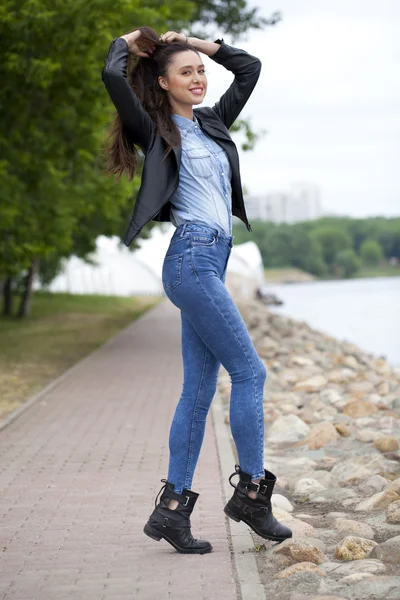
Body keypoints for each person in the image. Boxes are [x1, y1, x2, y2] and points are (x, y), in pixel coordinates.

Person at [101, 26, 292, 555]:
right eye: (186, 72)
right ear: (163, 83)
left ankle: (171, 512)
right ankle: (252, 495)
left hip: (210, 260)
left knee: (199, 392)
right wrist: (127, 42)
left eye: (201, 71)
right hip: (190, 261)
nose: (199, 79)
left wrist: (204, 46)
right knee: (251, 372)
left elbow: (249, 67)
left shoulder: (212, 123)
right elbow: (111, 75)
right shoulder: (156, 130)